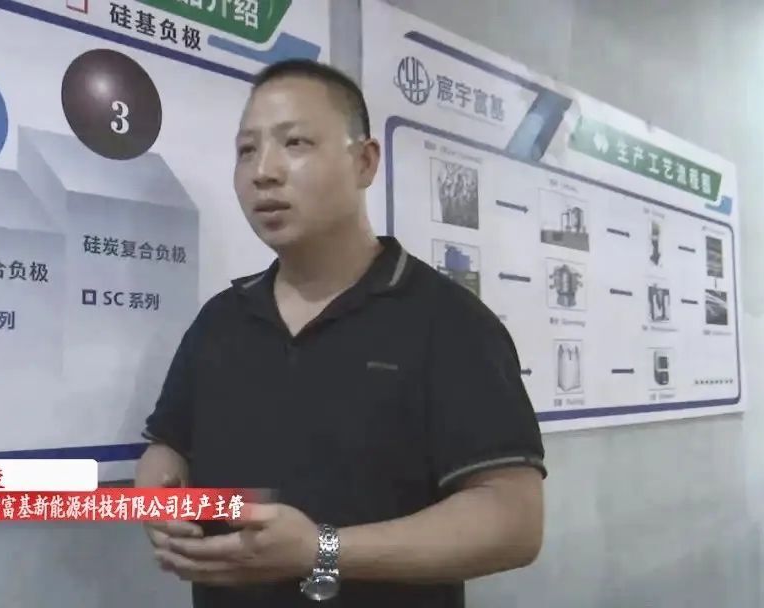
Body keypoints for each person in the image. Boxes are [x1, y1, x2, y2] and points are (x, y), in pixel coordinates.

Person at [134, 58, 546, 607]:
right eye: (247, 150)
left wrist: (322, 550)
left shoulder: (448, 322)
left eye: (295, 143)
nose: (263, 171)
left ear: (364, 162)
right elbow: (168, 448)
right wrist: (159, 504)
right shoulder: (221, 321)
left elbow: (514, 521)